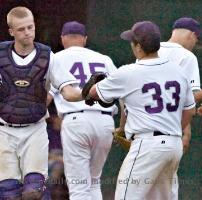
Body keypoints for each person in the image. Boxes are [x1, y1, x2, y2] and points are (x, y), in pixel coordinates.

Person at [86, 21, 195, 199]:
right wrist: (170, 131)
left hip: (147, 145)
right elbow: (190, 111)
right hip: (174, 144)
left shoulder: (129, 72)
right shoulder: (178, 71)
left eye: (132, 42)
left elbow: (91, 93)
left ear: (138, 47)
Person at [0, 7, 82, 200]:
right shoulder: (1, 55)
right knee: (9, 192)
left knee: (34, 190)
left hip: (34, 128)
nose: (27, 32)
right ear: (11, 31)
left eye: (31, 27)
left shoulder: (47, 56)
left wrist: (89, 93)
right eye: (21, 29)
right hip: (4, 129)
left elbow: (68, 92)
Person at [47, 21, 118, 200]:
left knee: (79, 187)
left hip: (76, 120)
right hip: (105, 121)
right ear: (84, 39)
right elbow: (123, 95)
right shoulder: (104, 59)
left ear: (62, 39)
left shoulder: (56, 58)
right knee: (94, 182)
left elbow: (46, 98)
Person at [158, 17, 202, 199]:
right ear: (192, 35)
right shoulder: (187, 56)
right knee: (167, 188)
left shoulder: (151, 49)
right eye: (196, 41)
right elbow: (189, 100)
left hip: (143, 129)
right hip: (169, 130)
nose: (194, 45)